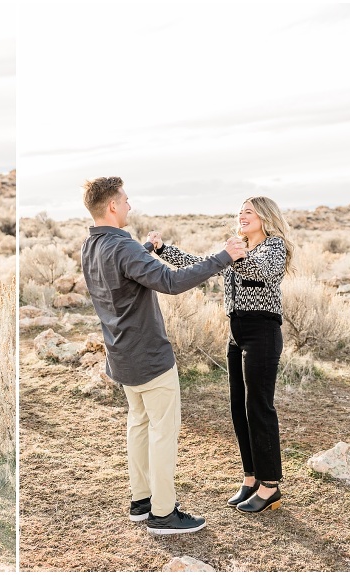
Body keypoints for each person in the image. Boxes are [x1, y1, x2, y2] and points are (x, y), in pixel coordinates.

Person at [80, 176, 247, 535]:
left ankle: (141, 502)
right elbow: (171, 283)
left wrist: (146, 248)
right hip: (150, 357)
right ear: (112, 206)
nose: (129, 205)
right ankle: (163, 513)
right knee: (162, 433)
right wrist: (224, 256)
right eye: (125, 200)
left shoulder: (91, 247)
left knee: (138, 425)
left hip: (121, 356)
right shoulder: (123, 249)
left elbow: (123, 273)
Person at [149, 196, 294, 513]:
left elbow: (262, 273)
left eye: (249, 212)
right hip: (236, 333)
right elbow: (200, 263)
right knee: (238, 408)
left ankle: (270, 486)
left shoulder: (274, 246)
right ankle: (250, 477)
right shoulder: (238, 249)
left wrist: (235, 256)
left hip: (262, 332)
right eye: (240, 211)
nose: (242, 216)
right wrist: (163, 250)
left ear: (265, 217)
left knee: (259, 408)